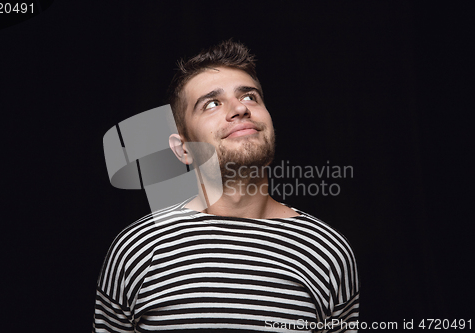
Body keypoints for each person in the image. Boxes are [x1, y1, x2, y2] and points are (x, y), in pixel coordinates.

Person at [93, 40, 359, 332]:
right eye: (212, 104)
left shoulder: (327, 250)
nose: (239, 110)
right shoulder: (137, 249)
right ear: (183, 149)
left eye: (249, 97)